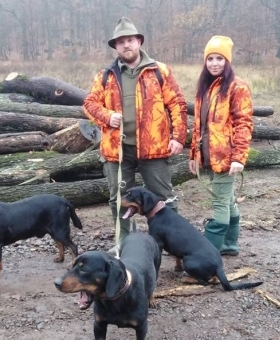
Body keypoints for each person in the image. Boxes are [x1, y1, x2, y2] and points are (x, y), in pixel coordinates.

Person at [83, 16, 187, 252]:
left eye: (130, 40)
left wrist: (178, 137)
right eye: (120, 42)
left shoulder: (160, 72)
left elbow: (177, 104)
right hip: (117, 151)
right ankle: (125, 243)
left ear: (139, 41)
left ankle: (173, 244)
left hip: (155, 149)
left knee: (164, 198)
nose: (126, 45)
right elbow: (89, 104)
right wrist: (107, 116)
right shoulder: (106, 75)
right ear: (115, 47)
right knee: (119, 199)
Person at [188, 35, 254, 256]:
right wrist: (194, 155)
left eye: (219, 58)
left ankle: (208, 253)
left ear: (228, 61)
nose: (214, 63)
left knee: (219, 202)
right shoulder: (205, 88)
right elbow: (199, 126)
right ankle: (230, 243)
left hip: (226, 157)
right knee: (227, 199)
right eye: (210, 58)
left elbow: (243, 124)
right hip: (209, 156)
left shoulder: (237, 87)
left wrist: (238, 157)